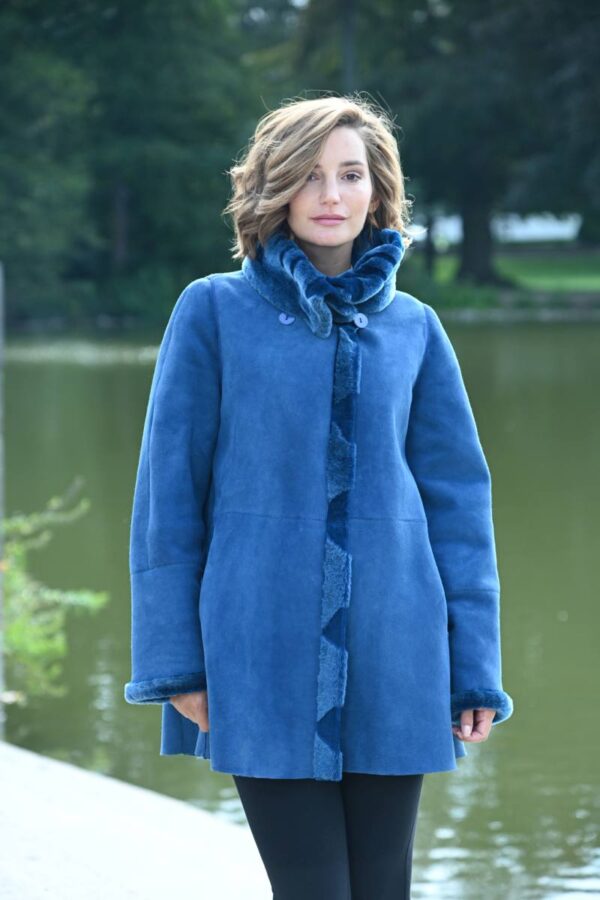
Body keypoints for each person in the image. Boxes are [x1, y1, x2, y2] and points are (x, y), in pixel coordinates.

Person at [124, 93, 514, 899]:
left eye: (350, 174)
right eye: (308, 175)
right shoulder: (213, 311)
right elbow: (168, 500)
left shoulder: (416, 328)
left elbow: (459, 505)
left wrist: (474, 667)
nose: (331, 195)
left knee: (383, 888)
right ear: (273, 187)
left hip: (397, 650)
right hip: (256, 651)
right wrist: (175, 664)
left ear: (379, 190)